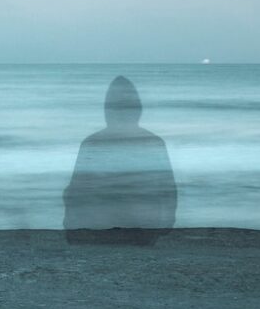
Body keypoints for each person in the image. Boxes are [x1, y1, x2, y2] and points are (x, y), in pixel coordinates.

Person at [63, 75, 177, 245]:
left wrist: (70, 227)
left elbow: (73, 193)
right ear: (138, 109)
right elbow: (169, 191)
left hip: (101, 227)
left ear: (107, 110)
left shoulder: (93, 143)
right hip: (143, 228)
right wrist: (166, 224)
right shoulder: (153, 142)